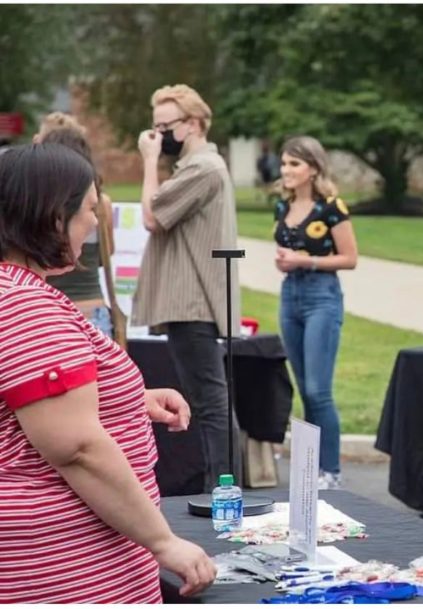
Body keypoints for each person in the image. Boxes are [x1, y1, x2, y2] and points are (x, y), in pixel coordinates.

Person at [0, 143, 214, 602]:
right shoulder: (27, 307)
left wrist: (129, 400)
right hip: (62, 570)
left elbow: (30, 407)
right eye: (90, 210)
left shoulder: (17, 292)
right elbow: (77, 447)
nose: (96, 223)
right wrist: (163, 541)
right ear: (56, 216)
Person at [132, 84, 242, 491]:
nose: (157, 137)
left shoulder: (203, 169)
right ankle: (225, 491)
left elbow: (151, 216)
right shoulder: (197, 168)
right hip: (189, 301)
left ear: (193, 124)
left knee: (212, 405)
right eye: (154, 129)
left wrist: (148, 162)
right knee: (210, 402)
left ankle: (226, 493)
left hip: (192, 302)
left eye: (165, 127)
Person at [273, 135, 358, 490]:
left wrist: (305, 260)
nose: (286, 170)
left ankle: (331, 472)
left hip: (322, 297)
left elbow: (350, 258)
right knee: (303, 390)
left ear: (313, 168)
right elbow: (284, 255)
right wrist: (286, 263)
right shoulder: (282, 206)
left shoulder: (331, 207)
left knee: (318, 389)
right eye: (284, 163)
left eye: (294, 163)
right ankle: (310, 469)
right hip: (290, 296)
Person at [35, 123, 120, 341]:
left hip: (49, 312)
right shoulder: (101, 203)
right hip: (92, 308)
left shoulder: (38, 206)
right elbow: (106, 254)